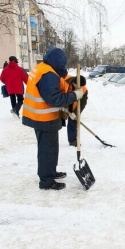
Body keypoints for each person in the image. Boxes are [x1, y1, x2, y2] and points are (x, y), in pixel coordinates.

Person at [22, 48, 85, 190]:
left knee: (50, 149)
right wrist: (75, 95)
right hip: (44, 118)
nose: (63, 67)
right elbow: (55, 99)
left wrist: (72, 83)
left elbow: (60, 78)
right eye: (63, 63)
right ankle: (46, 181)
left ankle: (50, 172)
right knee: (47, 150)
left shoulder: (42, 68)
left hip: (42, 117)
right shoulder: (48, 75)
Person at [64, 75, 88, 147]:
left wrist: (75, 113)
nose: (81, 88)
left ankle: (72, 140)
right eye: (79, 86)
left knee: (73, 121)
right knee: (55, 122)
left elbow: (83, 102)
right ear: (74, 83)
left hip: (73, 106)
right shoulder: (65, 82)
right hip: (61, 102)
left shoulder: (83, 89)